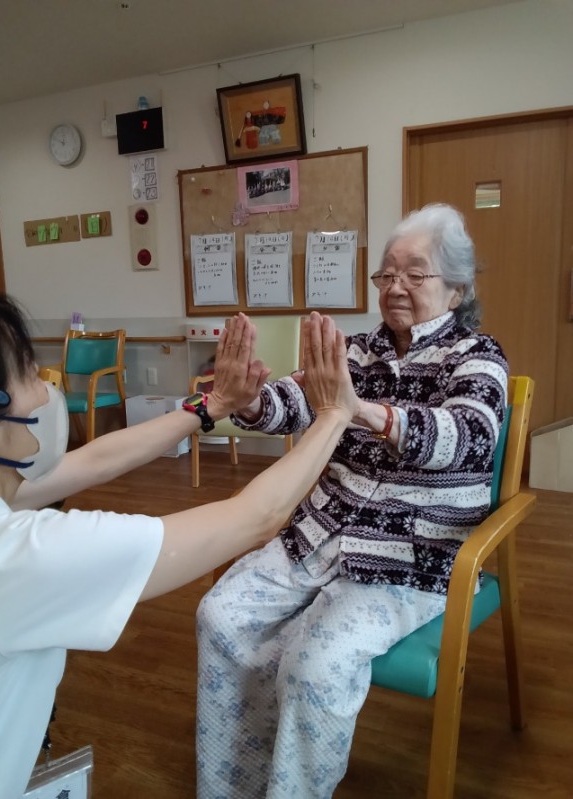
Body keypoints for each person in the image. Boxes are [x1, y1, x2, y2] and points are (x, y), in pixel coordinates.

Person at [0, 288, 359, 799]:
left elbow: (94, 460)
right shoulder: (12, 557)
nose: (49, 389)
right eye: (29, 374)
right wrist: (334, 415)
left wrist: (210, 406)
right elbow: (256, 517)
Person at [195, 204, 509, 798]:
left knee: (314, 666)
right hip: (320, 535)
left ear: (457, 287)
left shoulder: (477, 356)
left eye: (415, 274)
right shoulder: (358, 351)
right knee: (221, 615)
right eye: (386, 273)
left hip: (411, 554)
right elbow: (295, 401)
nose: (395, 286)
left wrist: (361, 411)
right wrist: (246, 398)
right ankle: (233, 786)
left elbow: (469, 436)